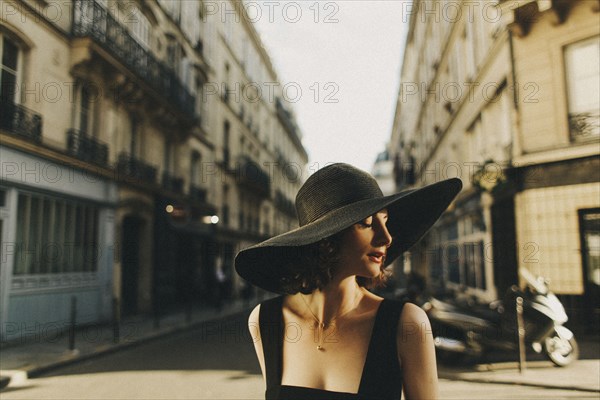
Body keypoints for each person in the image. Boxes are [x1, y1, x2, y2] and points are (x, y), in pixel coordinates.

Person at [235, 163, 462, 400]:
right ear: (326, 238)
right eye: (366, 223)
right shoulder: (265, 320)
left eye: (385, 221)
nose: (386, 237)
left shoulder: (405, 323)